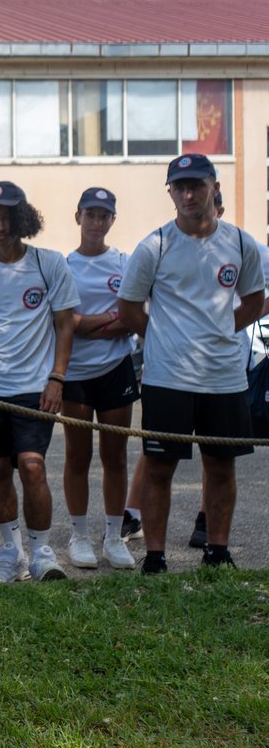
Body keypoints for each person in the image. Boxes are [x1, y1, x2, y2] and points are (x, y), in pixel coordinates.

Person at [117, 154, 264, 573]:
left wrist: (220, 328)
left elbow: (254, 299)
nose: (188, 194)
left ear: (214, 187)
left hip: (224, 379)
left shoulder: (239, 243)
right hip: (169, 379)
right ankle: (156, 557)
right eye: (179, 187)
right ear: (170, 192)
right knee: (159, 468)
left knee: (221, 467)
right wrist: (165, 337)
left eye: (197, 185)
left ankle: (217, 552)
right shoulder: (155, 245)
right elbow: (128, 309)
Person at [0, 182, 79, 583]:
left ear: (23, 218)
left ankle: (42, 552)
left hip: (34, 389)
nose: (0, 225)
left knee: (32, 466)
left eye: (8, 217)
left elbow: (66, 324)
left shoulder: (49, 264)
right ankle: (11, 554)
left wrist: (57, 378)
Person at [61, 188, 138, 570]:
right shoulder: (64, 266)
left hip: (115, 370)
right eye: (90, 214)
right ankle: (79, 536)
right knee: (78, 455)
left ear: (112, 220)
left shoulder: (124, 263)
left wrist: (89, 325)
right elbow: (65, 323)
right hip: (75, 373)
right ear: (78, 217)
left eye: (103, 215)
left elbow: (133, 316)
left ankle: (113, 536)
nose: (96, 222)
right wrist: (106, 321)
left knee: (115, 455)